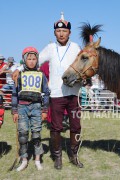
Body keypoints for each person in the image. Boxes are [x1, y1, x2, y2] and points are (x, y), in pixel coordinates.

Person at [13, 13, 83, 170]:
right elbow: (35, 62)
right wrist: (18, 68)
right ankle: (57, 157)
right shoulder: (50, 48)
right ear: (54, 33)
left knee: (75, 126)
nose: (61, 33)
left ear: (69, 32)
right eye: (58, 31)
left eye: (64, 31)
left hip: (74, 94)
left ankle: (73, 155)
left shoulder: (76, 48)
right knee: (56, 127)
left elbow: (83, 65)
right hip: (57, 94)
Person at [12, 47, 50, 171]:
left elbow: (46, 92)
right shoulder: (19, 75)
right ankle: (24, 160)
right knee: (22, 134)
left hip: (36, 107)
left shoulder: (41, 75)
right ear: (24, 60)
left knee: (36, 134)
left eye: (34, 59)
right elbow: (14, 93)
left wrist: (45, 110)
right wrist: (14, 110)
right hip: (22, 107)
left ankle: (37, 159)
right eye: (29, 59)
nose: (32, 61)